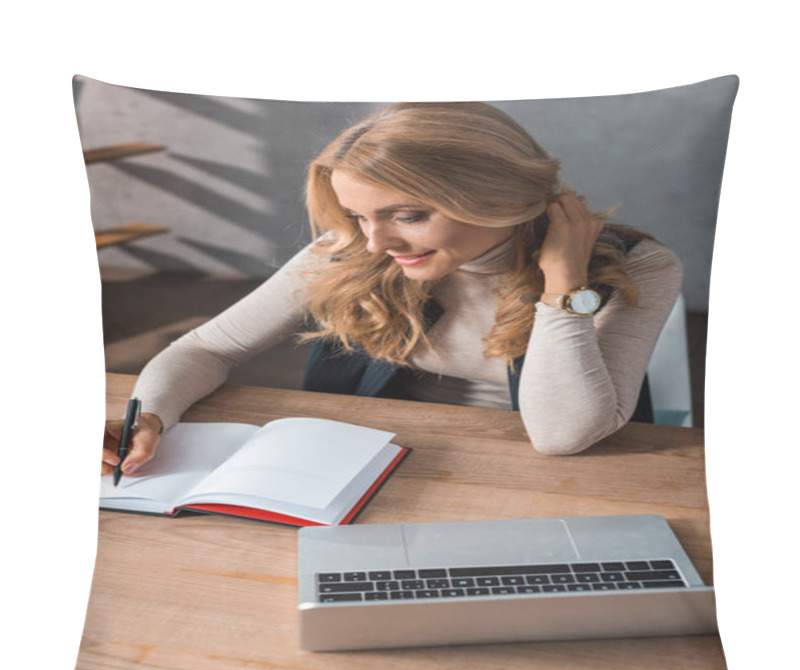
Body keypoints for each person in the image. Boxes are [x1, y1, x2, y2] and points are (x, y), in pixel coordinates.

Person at [101, 101, 682, 477]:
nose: (375, 243)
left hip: (549, 475)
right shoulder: (355, 247)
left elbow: (563, 436)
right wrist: (149, 416)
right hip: (370, 468)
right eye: (357, 215)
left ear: (498, 198)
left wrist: (563, 288)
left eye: (408, 215)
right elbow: (206, 348)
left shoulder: (642, 267)